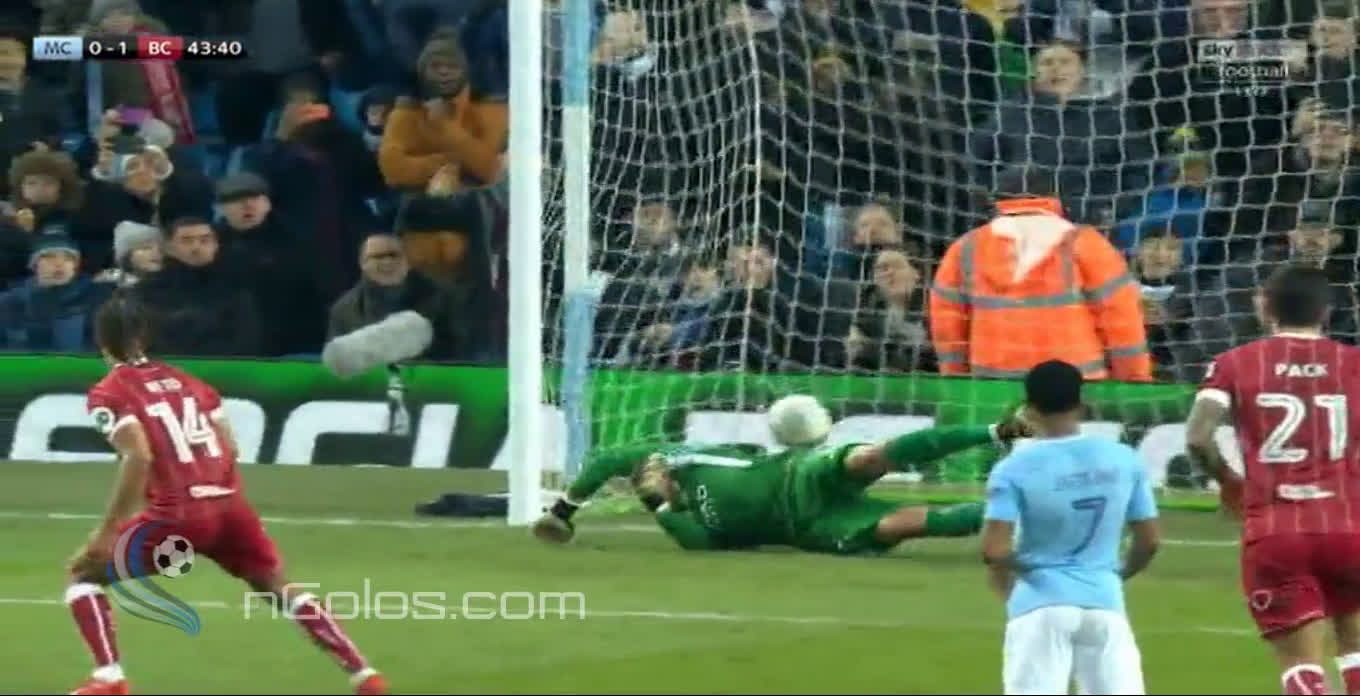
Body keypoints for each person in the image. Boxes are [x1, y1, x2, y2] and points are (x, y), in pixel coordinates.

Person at [63, 297, 387, 696]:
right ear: (145, 336)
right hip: (230, 507)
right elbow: (229, 446)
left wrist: (109, 530)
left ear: (101, 342)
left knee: (84, 576)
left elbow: (139, 455)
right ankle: (364, 673)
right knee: (276, 586)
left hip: (177, 514)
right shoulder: (191, 383)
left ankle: (109, 678)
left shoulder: (109, 392)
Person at [533, 395, 1033, 553]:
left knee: (870, 458)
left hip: (800, 476)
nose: (649, 472)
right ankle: (1032, 513)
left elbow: (604, 462)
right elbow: (698, 546)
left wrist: (562, 509)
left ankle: (995, 431)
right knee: (900, 525)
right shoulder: (693, 522)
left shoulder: (682, 455)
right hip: (807, 528)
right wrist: (658, 503)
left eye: (649, 472)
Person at [1185, 264, 1360, 695]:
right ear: (1326, 311)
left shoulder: (1234, 363)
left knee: (1301, 667)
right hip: (1348, 526)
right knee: (1356, 653)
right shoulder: (1354, 364)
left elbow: (1198, 437)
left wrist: (1229, 482)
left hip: (1276, 530)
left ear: (1265, 308)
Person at [981, 360, 1160, 695]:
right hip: (1105, 603)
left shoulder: (1012, 469)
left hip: (1040, 605)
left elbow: (995, 550)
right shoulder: (1123, 458)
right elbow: (1148, 542)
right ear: (1081, 404)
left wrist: (1027, 579)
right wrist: (1116, 575)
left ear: (1029, 409)